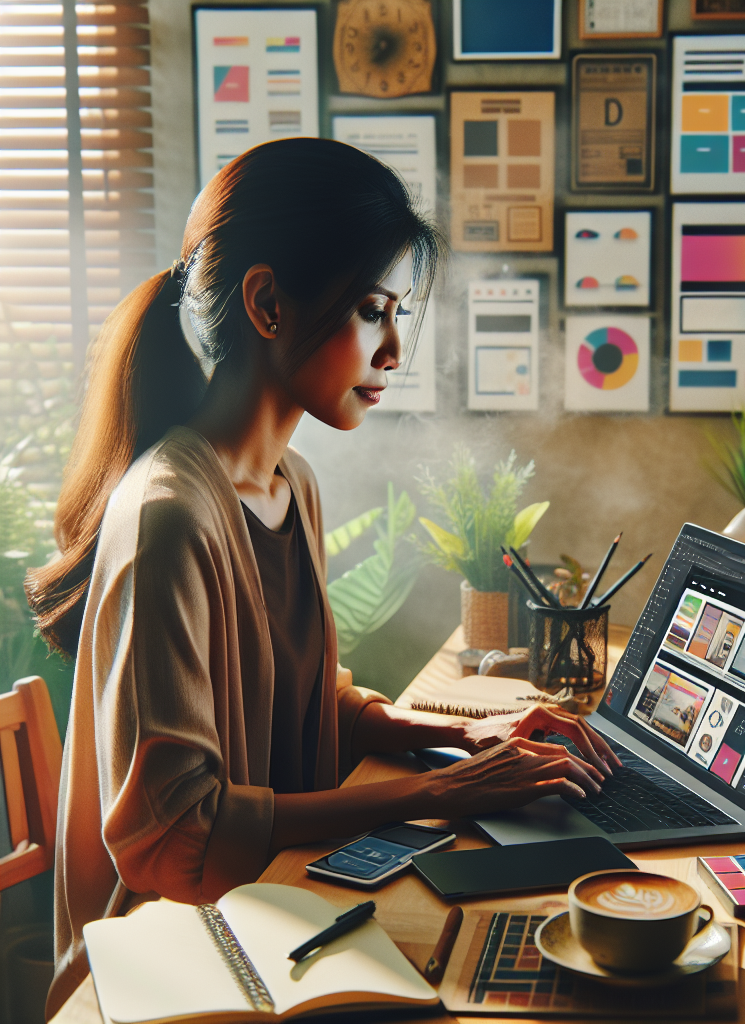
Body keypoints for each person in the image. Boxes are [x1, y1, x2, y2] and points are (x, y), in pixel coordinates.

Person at [26, 138, 619, 1018]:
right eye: (374, 310)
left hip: (275, 913)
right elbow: (172, 840)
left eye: (398, 313)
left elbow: (305, 705)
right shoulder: (170, 517)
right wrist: (440, 790)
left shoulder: (289, 485)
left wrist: (466, 737)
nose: (393, 350)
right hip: (175, 962)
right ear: (267, 303)